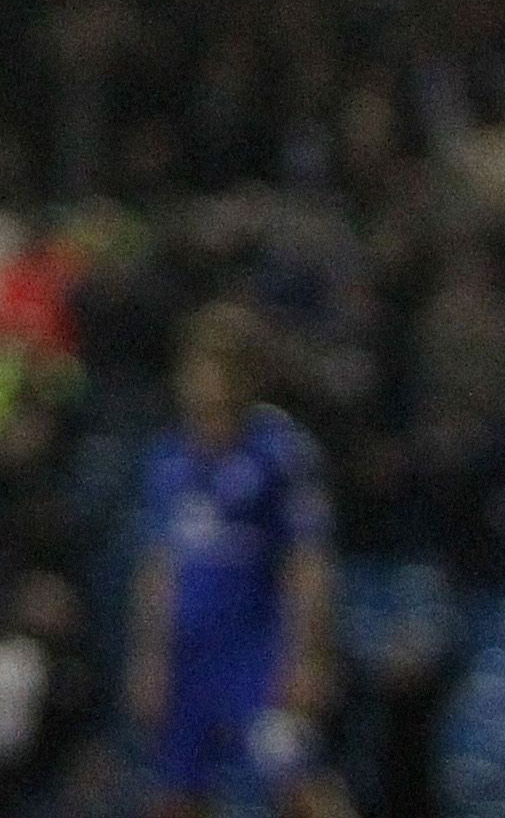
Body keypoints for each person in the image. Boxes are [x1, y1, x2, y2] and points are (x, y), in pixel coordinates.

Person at [128, 304, 354, 818]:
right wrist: (149, 657)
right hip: (189, 657)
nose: (211, 381)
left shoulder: (279, 452)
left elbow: (308, 562)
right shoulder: (168, 460)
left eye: (227, 366)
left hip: (258, 650)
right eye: (203, 365)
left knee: (299, 784)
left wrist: (309, 655)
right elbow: (158, 569)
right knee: (176, 798)